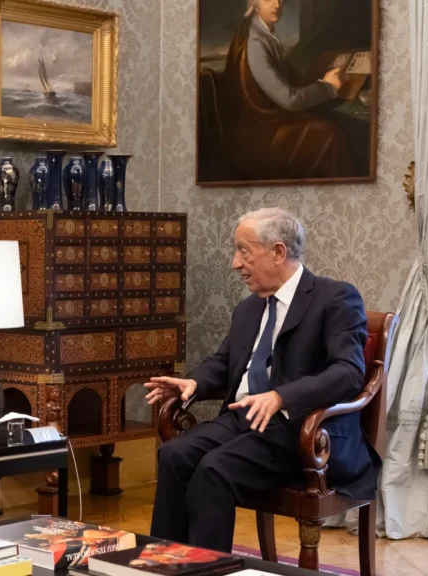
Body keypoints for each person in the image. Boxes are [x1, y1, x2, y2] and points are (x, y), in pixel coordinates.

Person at [145, 208, 377, 552]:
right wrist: (194, 383)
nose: (235, 263)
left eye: (243, 251)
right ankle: (165, 564)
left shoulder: (335, 298)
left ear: (278, 252)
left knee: (214, 469)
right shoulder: (249, 308)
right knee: (175, 455)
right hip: (243, 420)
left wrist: (281, 396)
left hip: (300, 432)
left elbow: (348, 372)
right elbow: (224, 364)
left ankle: (208, 570)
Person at [218, 0, 352, 180]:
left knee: (324, 120)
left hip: (263, 122)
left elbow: (282, 71)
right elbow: (289, 100)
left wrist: (317, 78)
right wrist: (327, 87)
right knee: (330, 135)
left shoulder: (261, 30)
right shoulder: (255, 43)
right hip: (258, 135)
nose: (277, 4)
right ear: (255, 3)